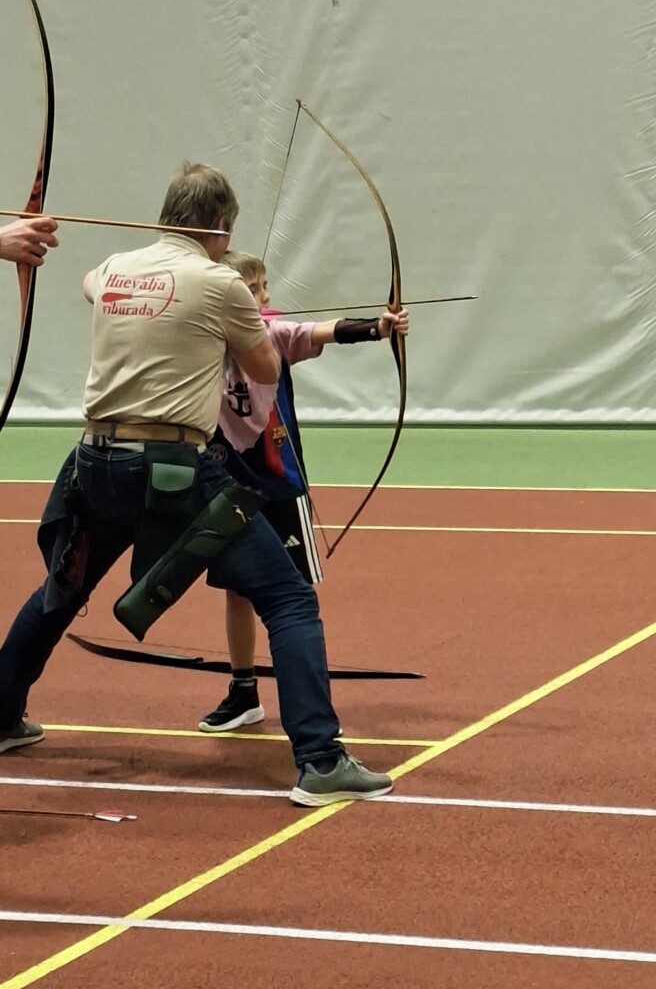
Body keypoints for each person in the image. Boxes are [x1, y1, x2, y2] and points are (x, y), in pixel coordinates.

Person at [0, 162, 393, 807]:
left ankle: (0, 715)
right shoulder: (219, 281)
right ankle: (321, 759)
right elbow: (264, 366)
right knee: (289, 599)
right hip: (172, 469)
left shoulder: (115, 268)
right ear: (221, 227)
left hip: (94, 463)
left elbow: (90, 282)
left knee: (61, 592)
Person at [197, 250, 410, 733]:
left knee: (295, 599)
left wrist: (378, 327)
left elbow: (316, 331)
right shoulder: (201, 342)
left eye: (264, 286)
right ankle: (243, 691)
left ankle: (311, 704)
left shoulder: (270, 333)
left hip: (281, 486)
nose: (266, 296)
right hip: (229, 488)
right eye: (254, 289)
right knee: (236, 592)